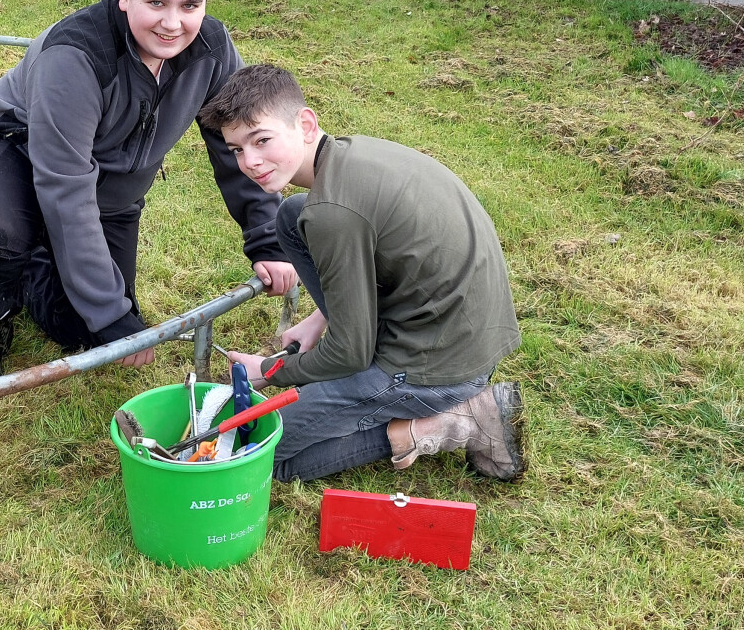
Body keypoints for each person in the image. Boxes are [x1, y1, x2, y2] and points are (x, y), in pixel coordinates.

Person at [0, 0, 297, 388]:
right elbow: (65, 186)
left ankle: (32, 260)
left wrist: (268, 237)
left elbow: (240, 141)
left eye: (191, 4)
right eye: (156, 2)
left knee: (78, 328)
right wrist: (111, 312)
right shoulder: (75, 56)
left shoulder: (211, 48)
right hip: (15, 153)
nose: (173, 24)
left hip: (111, 193)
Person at [198, 64, 526, 482]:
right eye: (237, 150)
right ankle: (378, 362)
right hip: (464, 332)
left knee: (263, 455)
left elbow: (348, 354)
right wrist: (323, 317)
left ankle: (455, 421)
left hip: (438, 368)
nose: (251, 162)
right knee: (290, 215)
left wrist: (270, 370)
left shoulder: (334, 214)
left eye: (261, 140)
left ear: (305, 123)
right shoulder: (348, 156)